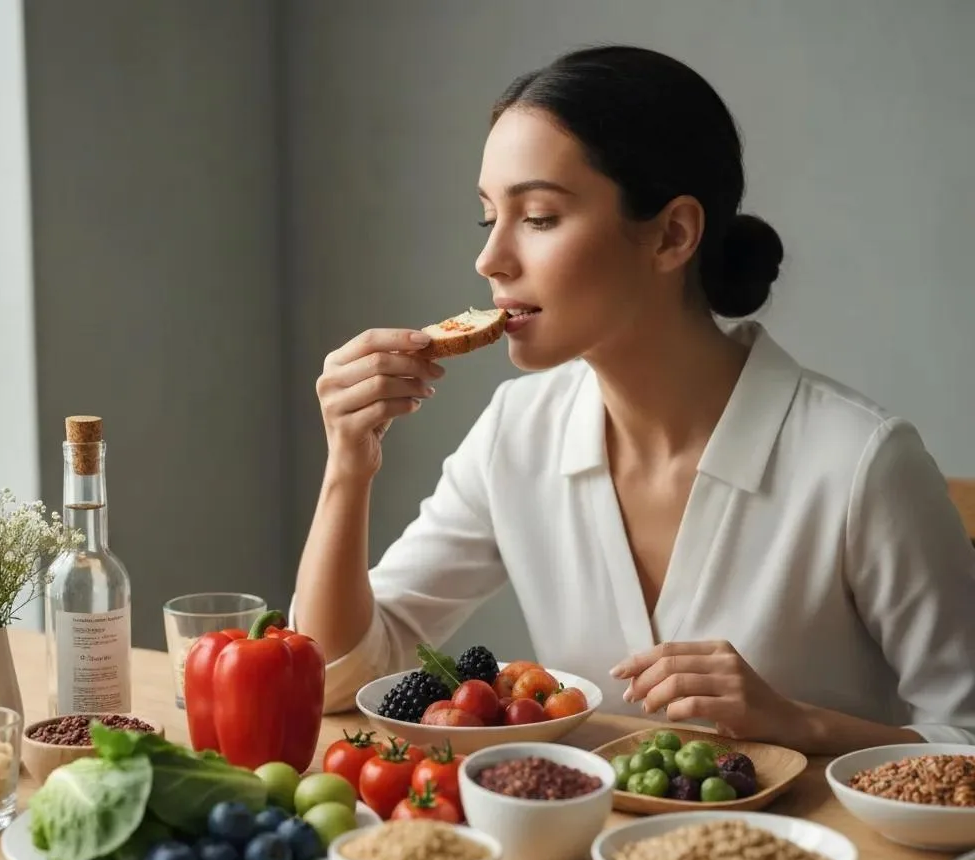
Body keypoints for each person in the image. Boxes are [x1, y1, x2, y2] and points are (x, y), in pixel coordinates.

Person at [291, 44, 975, 753]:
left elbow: (966, 736)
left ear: (671, 235)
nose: (489, 259)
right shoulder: (516, 434)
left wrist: (797, 723)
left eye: (540, 217)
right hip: (577, 859)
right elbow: (332, 677)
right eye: (487, 216)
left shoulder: (860, 462)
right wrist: (349, 463)